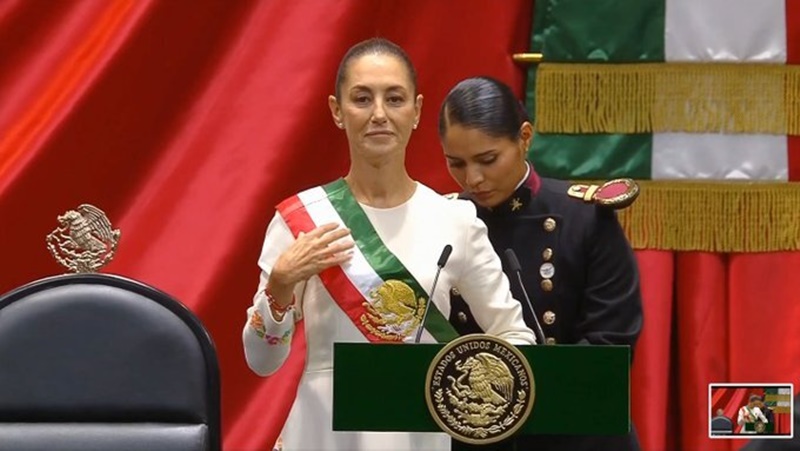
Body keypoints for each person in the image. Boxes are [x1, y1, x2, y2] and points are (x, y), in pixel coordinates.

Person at [242, 39, 536, 451]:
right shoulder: (301, 219)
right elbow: (261, 361)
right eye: (362, 98)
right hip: (323, 431)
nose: (379, 114)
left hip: (419, 429)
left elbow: (515, 337)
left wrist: (469, 396)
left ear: (415, 111)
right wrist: (281, 283)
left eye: (394, 98)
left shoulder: (455, 221)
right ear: (337, 111)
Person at [438, 76, 644, 450]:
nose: (474, 179)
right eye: (456, 163)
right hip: (478, 433)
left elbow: (611, 342)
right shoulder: (442, 221)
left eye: (488, 159)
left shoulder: (583, 217)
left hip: (577, 432)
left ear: (525, 137)